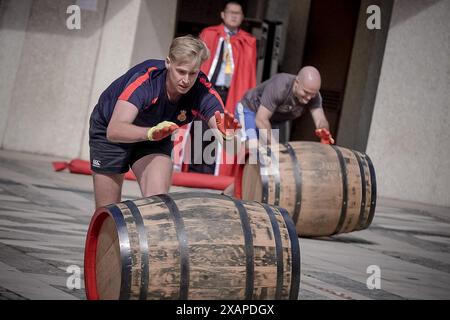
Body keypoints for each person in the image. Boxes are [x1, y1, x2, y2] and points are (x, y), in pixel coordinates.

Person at [88, 35, 240, 208]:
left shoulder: (203, 92)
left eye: (193, 73)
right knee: (108, 211)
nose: (186, 80)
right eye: (181, 71)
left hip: (156, 137)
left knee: (158, 204)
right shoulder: (146, 81)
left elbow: (232, 149)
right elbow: (114, 131)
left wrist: (228, 136)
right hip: (112, 130)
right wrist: (150, 132)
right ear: (168, 63)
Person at [186, 1, 257, 175]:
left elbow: (249, 73)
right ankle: (196, 170)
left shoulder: (248, 42)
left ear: (242, 18)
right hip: (208, 89)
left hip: (231, 93)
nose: (234, 15)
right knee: (200, 127)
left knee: (223, 131)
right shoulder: (209, 34)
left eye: (238, 13)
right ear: (223, 15)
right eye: (230, 12)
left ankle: (212, 172)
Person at [235, 66, 335, 151]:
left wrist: (324, 130)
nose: (308, 98)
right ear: (296, 82)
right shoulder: (280, 86)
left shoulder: (314, 96)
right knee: (253, 147)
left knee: (270, 158)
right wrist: (275, 146)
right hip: (250, 110)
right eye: (306, 92)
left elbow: (320, 120)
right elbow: (260, 119)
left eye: (312, 94)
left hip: (271, 122)